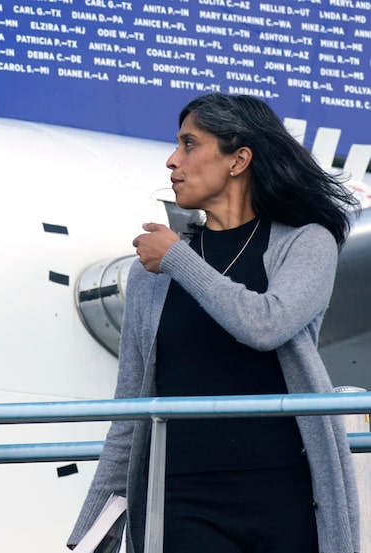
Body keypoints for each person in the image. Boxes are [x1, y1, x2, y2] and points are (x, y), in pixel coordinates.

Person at [67, 93, 361, 553]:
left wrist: (178, 259)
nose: (171, 160)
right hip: (180, 497)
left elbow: (266, 325)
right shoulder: (153, 273)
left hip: (287, 491)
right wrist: (92, 533)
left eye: (189, 144)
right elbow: (129, 413)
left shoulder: (306, 241)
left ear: (238, 159)